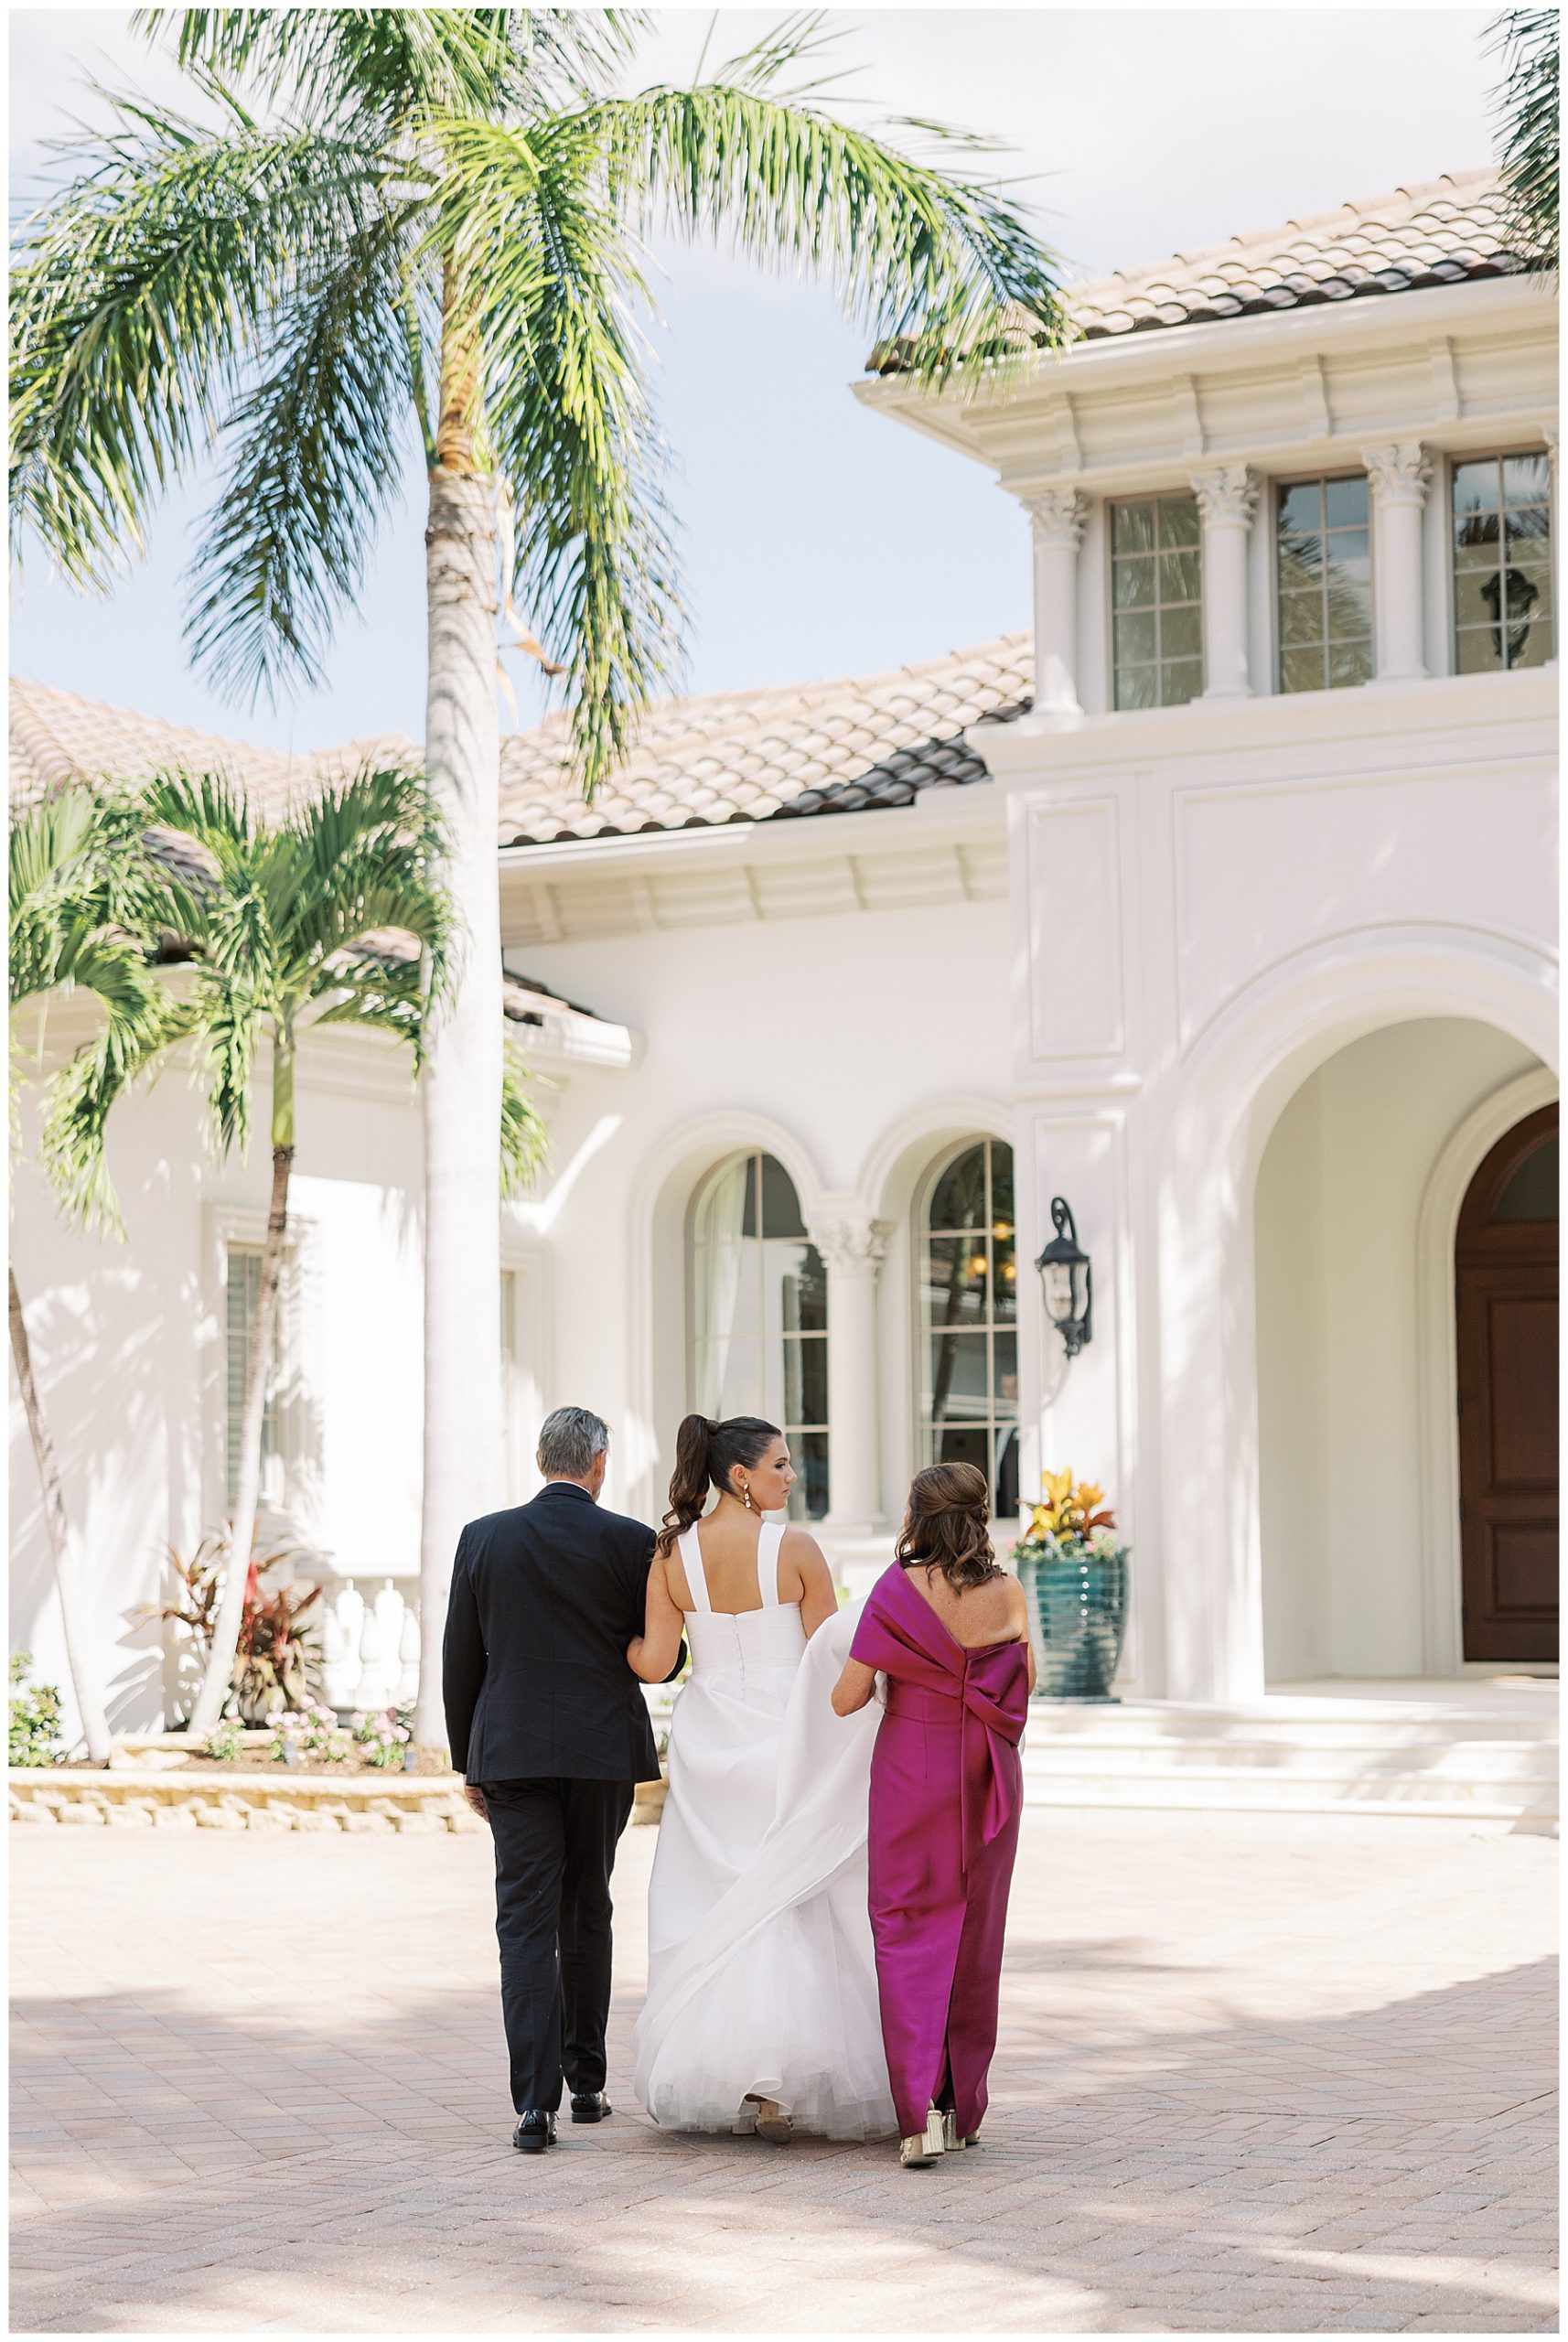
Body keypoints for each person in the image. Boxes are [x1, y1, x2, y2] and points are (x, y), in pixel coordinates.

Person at [627, 1413, 895, 2143]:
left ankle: (737, 2075)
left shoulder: (670, 1555)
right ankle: (784, 2080)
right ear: (740, 1476)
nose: (790, 1476)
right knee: (788, 1893)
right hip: (785, 1733)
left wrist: (615, 1645)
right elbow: (835, 1655)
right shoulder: (797, 1549)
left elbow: (653, 1664)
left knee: (715, 1895)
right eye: (780, 1465)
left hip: (710, 1733)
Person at [442, 1405, 682, 2154]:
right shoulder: (631, 1542)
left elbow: (460, 1661)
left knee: (523, 1921)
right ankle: (586, 2083)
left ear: (541, 1458)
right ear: (599, 1465)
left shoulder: (483, 1538)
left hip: (510, 1751)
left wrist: (466, 1759)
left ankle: (532, 2106)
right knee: (587, 1906)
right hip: (600, 1750)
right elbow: (664, 1658)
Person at [832, 1461, 1035, 2169]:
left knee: (907, 1931)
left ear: (918, 1517)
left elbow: (846, 1698)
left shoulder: (895, 1590)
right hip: (987, 1777)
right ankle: (960, 2109)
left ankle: (918, 2118)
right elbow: (1025, 1682)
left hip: (912, 1774)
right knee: (975, 1938)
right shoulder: (1008, 1592)